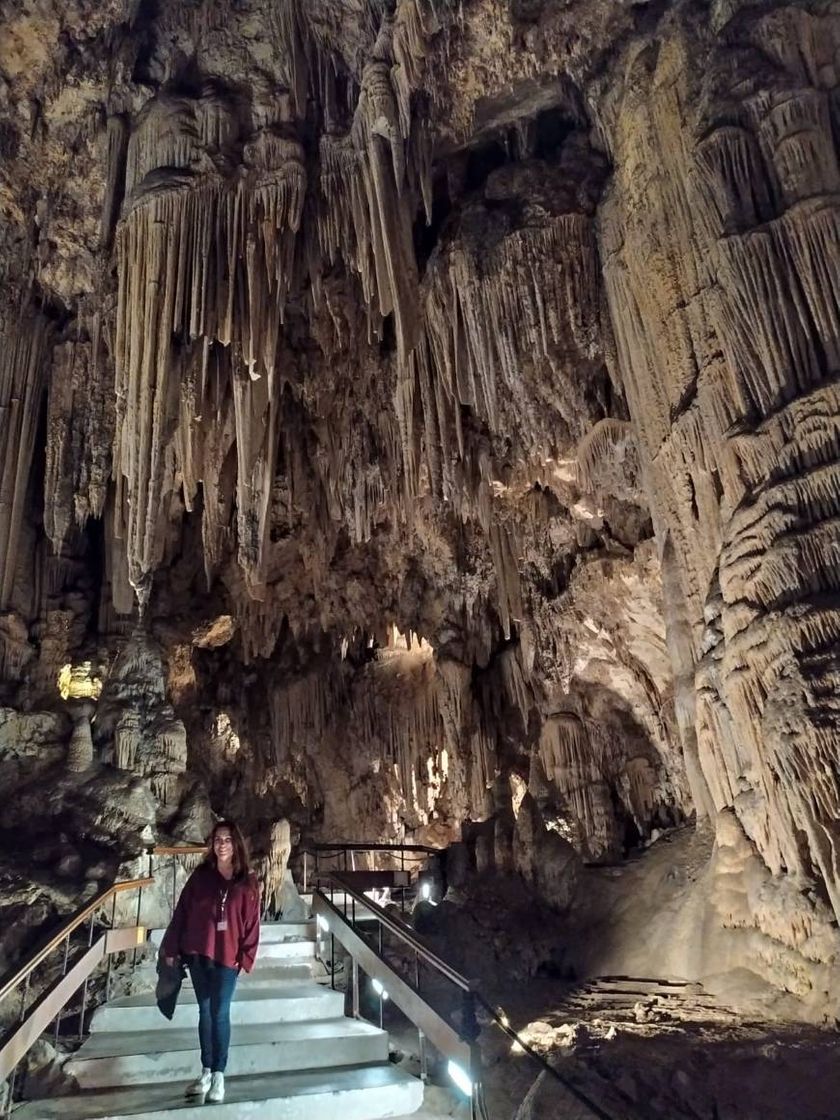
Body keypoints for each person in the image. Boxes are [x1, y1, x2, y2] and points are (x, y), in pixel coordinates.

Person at [161, 820, 261, 1104]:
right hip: (198, 952)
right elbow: (182, 911)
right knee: (204, 1012)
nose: (222, 844)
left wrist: (246, 956)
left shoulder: (246, 880)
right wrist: (172, 946)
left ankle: (219, 1074)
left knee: (219, 1012)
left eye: (228, 839)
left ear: (236, 843)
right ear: (212, 843)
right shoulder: (201, 876)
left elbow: (253, 922)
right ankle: (206, 1071)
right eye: (218, 839)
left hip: (227, 955)